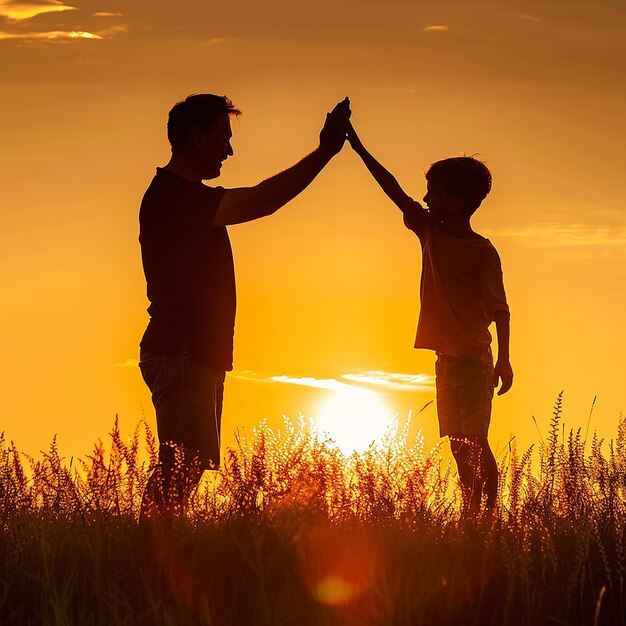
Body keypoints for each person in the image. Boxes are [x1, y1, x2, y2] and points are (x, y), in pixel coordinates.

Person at [138, 94, 351, 516]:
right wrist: (325, 152)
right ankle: (143, 561)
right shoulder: (175, 198)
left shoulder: (188, 199)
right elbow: (261, 200)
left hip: (196, 353)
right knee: (182, 466)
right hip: (181, 350)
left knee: (186, 466)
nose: (229, 150)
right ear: (197, 139)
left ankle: (149, 556)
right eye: (222, 139)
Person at [346, 121, 513, 512]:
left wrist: (503, 359)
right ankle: (470, 516)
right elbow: (394, 192)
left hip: (474, 362)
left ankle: (487, 520)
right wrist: (358, 146)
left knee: (474, 442)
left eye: (433, 193)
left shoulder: (481, 251)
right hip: (445, 361)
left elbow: (500, 309)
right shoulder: (428, 232)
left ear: (456, 202)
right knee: (457, 445)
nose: (424, 199)